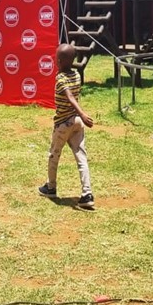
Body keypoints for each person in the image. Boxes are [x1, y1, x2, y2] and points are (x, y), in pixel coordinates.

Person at [37, 44, 95, 208]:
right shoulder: (76, 75)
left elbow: (70, 96)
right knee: (81, 157)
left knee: (54, 155)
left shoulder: (60, 79)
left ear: (60, 61)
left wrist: (82, 113)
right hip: (76, 123)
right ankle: (87, 194)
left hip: (63, 123)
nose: (56, 61)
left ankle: (51, 187)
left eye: (57, 59)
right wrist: (80, 116)